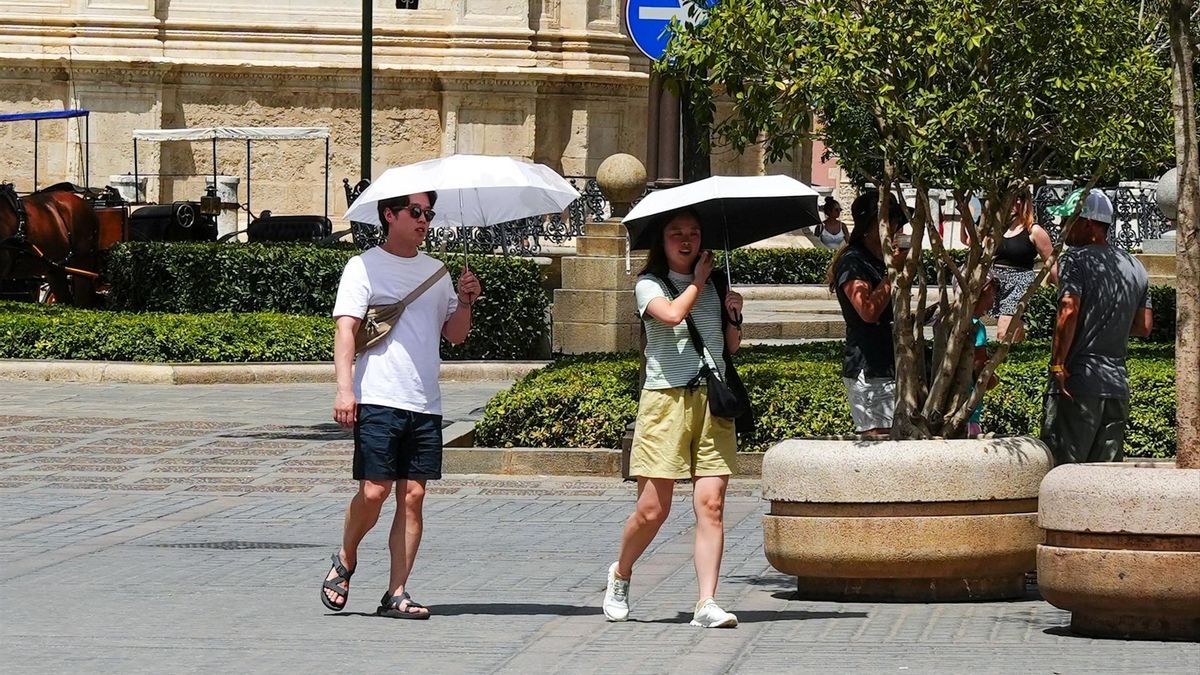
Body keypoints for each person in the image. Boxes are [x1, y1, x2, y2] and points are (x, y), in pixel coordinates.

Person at [321, 191, 481, 619]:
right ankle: (347, 555)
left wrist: (466, 301)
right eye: (415, 212)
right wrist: (344, 390)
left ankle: (397, 593)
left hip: (425, 401)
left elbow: (456, 335)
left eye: (428, 213)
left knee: (413, 496)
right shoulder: (363, 266)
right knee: (374, 491)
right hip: (377, 396)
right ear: (389, 215)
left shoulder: (438, 272)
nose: (424, 219)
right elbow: (345, 331)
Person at [603, 209, 744, 628]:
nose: (687, 240)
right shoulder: (650, 284)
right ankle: (621, 573)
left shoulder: (716, 284)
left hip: (712, 401)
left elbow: (730, 347)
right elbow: (671, 316)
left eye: (694, 233)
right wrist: (698, 281)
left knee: (712, 504)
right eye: (676, 233)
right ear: (661, 242)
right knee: (653, 510)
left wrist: (734, 314)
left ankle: (706, 603)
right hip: (665, 402)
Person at [1042, 189, 1152, 465]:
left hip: (1077, 382)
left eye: (1068, 220)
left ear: (1089, 224)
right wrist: (1108, 322)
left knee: (1063, 474)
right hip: (1117, 385)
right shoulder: (1136, 266)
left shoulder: (1074, 260)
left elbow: (1069, 310)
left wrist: (1058, 365)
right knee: (1105, 478)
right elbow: (1144, 326)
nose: (1062, 227)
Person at [827, 190, 908, 438]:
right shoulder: (854, 261)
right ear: (870, 226)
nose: (895, 226)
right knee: (879, 439)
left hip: (891, 361)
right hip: (870, 365)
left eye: (896, 219)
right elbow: (868, 312)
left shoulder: (881, 260)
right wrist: (893, 273)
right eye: (888, 219)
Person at [964, 189, 1056, 341]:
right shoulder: (997, 229)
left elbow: (1052, 263)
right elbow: (972, 244)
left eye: (1018, 198)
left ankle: (1010, 352)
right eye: (1009, 197)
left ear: (1025, 202)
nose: (1014, 202)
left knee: (1003, 332)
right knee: (1009, 332)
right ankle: (1019, 350)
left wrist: (1064, 293)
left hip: (1019, 284)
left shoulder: (1034, 231)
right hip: (994, 284)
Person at [967, 274, 1000, 436]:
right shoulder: (977, 327)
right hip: (968, 414)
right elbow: (979, 367)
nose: (993, 302)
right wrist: (993, 379)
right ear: (984, 290)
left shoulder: (945, 320)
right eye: (993, 295)